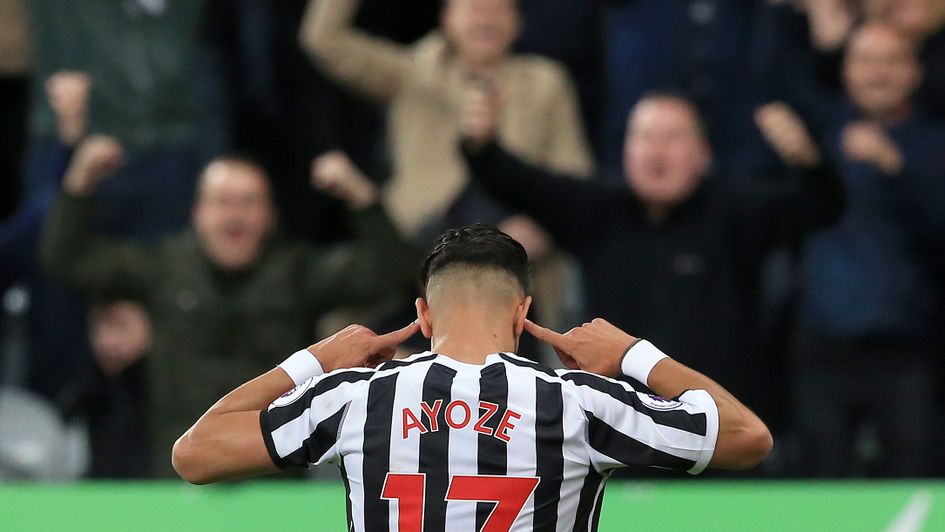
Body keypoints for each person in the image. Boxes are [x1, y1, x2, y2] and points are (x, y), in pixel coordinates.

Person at [172, 224, 772, 531]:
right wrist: (634, 355)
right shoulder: (577, 403)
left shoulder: (353, 399)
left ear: (423, 316)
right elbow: (747, 436)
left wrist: (314, 360)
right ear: (523, 313)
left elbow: (195, 453)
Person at [458, 89, 844, 425]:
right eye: (643, 137)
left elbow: (823, 207)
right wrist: (481, 143)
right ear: (626, 149)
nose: (656, 151)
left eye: (672, 137)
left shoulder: (735, 212)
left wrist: (806, 159)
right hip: (618, 432)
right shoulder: (598, 211)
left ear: (702, 153)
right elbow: (520, 184)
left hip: (717, 429)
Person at [40, 136, 408, 476]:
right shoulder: (163, 267)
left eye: (249, 202)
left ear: (270, 215)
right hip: (180, 474)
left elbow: (387, 272)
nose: (235, 215)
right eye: (222, 201)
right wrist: (80, 181)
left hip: (275, 476)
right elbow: (66, 258)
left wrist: (361, 195)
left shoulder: (296, 271)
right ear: (198, 212)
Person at [792, 22, 945, 477]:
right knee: (822, 489)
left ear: (916, 71)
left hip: (911, 350)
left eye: (891, 60)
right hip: (823, 349)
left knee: (914, 484)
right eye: (865, 60)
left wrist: (897, 170)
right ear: (845, 71)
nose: (877, 72)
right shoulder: (816, 139)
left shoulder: (936, 147)